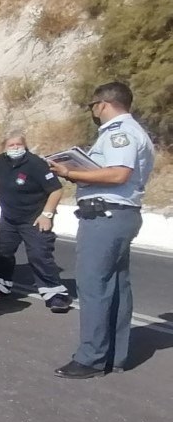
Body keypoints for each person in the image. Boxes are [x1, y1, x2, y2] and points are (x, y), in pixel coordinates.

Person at [48, 82, 154, 378]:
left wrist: (69, 172)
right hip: (116, 214)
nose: (93, 112)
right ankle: (114, 355)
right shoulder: (129, 131)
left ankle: (91, 358)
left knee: (93, 285)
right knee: (116, 286)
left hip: (106, 215)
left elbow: (119, 174)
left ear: (103, 104)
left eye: (92, 106)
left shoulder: (120, 133)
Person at [0, 131, 71, 312]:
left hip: (34, 218)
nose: (15, 148)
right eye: (11, 145)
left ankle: (56, 295)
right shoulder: (1, 162)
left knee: (39, 254)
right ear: (4, 148)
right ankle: (0, 287)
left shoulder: (36, 164)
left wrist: (47, 215)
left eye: (18, 144)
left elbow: (56, 190)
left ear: (25, 146)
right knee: (1, 252)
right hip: (9, 219)